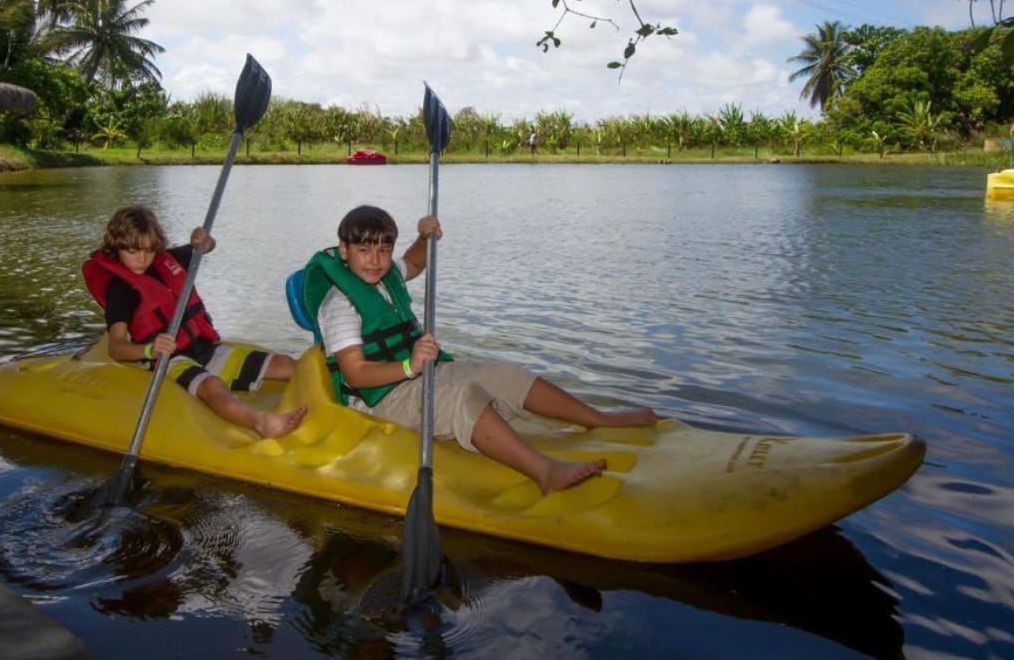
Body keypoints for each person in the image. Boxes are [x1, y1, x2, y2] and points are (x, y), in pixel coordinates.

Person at [301, 205, 656, 494]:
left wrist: (424, 237)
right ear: (344, 250)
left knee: (501, 374)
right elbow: (356, 372)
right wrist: (410, 366)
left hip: (417, 372)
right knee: (462, 397)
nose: (375, 260)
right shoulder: (340, 305)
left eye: (383, 249)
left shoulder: (385, 274)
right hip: (378, 400)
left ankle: (598, 419)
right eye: (364, 250)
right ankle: (545, 473)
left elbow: (416, 261)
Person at [84, 205, 306, 438]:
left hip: (206, 349)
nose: (141, 259)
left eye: (149, 251)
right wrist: (149, 350)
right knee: (213, 387)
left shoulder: (167, 261)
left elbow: (204, 248)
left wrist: (205, 241)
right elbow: (116, 347)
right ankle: (262, 423)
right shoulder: (120, 290)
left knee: (287, 364)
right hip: (170, 360)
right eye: (132, 251)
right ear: (116, 247)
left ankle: (335, 400)